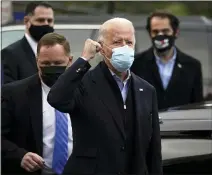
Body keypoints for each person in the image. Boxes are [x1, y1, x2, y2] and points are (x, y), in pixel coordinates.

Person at [47, 18, 162, 175]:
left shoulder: (146, 90)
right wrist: (84, 59)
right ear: (101, 48)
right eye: (117, 42)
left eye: (129, 42)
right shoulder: (83, 82)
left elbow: (153, 148)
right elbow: (56, 98)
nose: (124, 48)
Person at [1, 33, 73, 175]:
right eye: (45, 64)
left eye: (58, 63)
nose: (52, 68)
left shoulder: (85, 91)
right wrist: (19, 155)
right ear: (36, 61)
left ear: (70, 61)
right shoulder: (14, 94)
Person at [131, 10, 203, 110]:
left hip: (180, 123)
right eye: (155, 32)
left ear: (176, 32)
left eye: (165, 31)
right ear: (149, 34)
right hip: (147, 124)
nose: (160, 35)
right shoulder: (135, 63)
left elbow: (197, 105)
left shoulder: (192, 66)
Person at [2, 1, 54, 84]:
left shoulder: (56, 52)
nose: (46, 24)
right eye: (40, 20)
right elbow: (7, 91)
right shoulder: (10, 54)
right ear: (26, 21)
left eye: (50, 21)